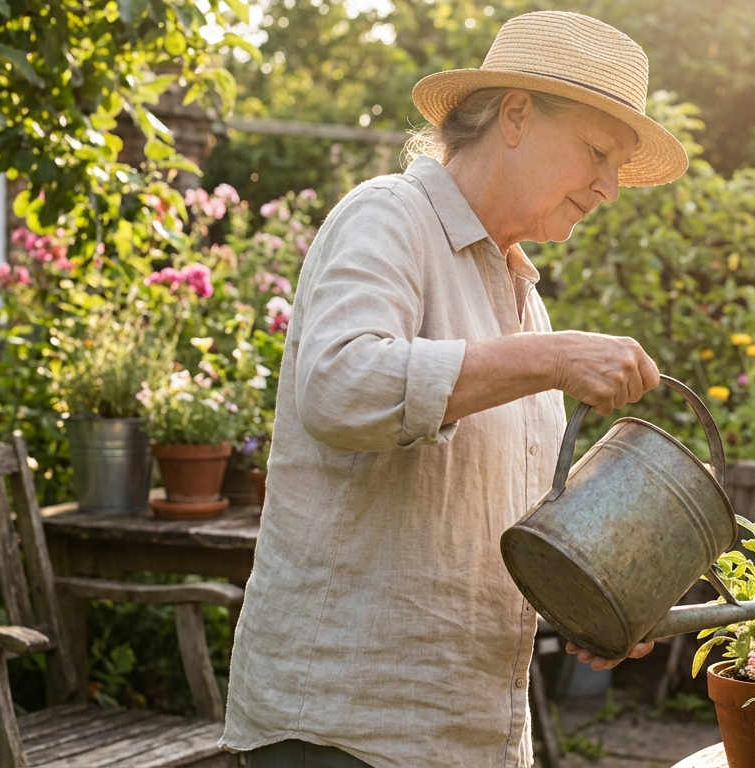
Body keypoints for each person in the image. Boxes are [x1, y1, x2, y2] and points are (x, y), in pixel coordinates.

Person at [220, 11, 689, 768]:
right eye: (598, 153)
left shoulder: (520, 296)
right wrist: (551, 358)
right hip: (345, 731)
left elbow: (496, 513)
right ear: (515, 115)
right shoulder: (388, 218)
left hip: (467, 735)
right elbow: (340, 387)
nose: (608, 188)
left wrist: (597, 595)